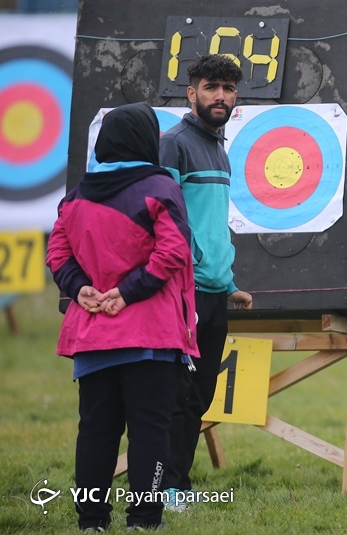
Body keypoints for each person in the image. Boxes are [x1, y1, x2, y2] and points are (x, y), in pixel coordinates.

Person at [47, 102, 199, 531]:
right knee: (150, 430)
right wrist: (127, 292)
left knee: (96, 430)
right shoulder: (159, 186)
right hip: (149, 334)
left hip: (93, 332)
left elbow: (57, 254)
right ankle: (145, 519)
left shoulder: (76, 195)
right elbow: (174, 251)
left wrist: (81, 289)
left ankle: (92, 519)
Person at [159, 54, 253, 511]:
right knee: (179, 394)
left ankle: (179, 481)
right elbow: (166, 219)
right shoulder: (173, 144)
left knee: (200, 395)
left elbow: (213, 224)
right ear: (191, 92)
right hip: (183, 291)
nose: (221, 96)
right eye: (211, 87)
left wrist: (228, 280)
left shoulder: (218, 146)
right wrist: (192, 272)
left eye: (229, 89)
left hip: (216, 293)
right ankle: (166, 486)